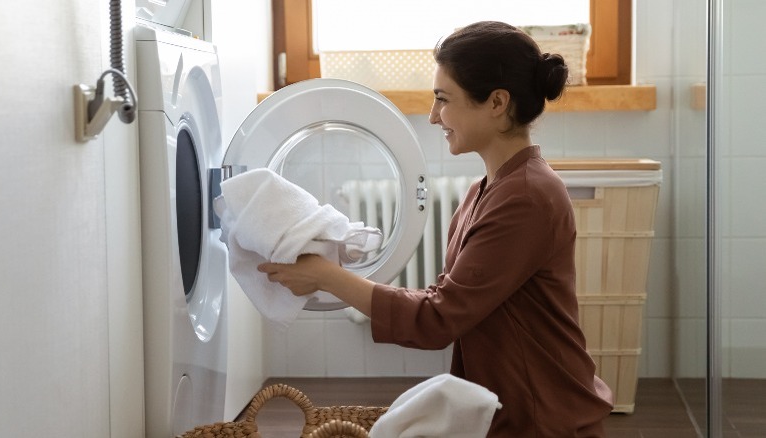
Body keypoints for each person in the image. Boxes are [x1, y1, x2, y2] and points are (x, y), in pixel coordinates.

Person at [258, 20, 614, 437]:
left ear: (497, 102)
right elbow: (444, 304)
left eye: (443, 99)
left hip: (541, 416)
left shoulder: (527, 197)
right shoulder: (486, 190)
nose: (432, 116)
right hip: (512, 402)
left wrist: (326, 276)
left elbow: (437, 319)